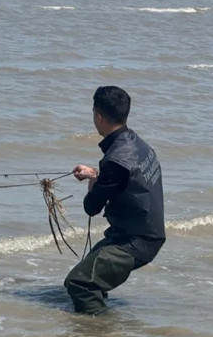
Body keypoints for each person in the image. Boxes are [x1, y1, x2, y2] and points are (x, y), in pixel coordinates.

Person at [65, 86, 165, 314]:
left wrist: (93, 183)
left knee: (78, 283)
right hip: (141, 231)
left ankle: (102, 334)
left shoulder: (114, 161)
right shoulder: (137, 143)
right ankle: (99, 317)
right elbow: (127, 179)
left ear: (98, 117)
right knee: (89, 270)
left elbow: (91, 207)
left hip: (137, 240)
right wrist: (96, 174)